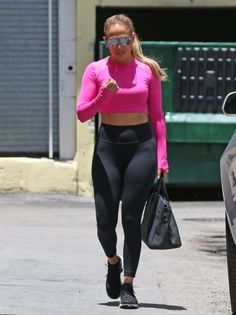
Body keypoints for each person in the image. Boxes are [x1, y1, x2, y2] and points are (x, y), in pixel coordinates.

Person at [77, 14, 169, 309]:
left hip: (141, 147)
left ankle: (128, 284)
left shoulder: (148, 70)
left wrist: (161, 157)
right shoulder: (95, 70)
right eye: (113, 40)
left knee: (131, 218)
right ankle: (113, 261)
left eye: (123, 39)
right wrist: (104, 94)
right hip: (108, 148)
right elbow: (82, 113)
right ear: (106, 42)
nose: (119, 45)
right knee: (105, 222)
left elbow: (157, 115)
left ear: (132, 38)